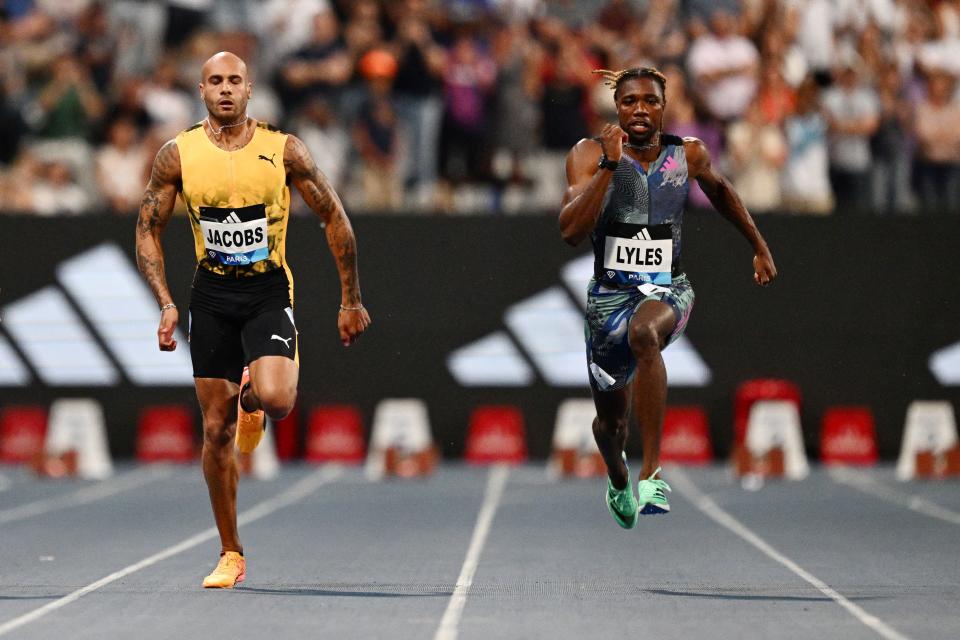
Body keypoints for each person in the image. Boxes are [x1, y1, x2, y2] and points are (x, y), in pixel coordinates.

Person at [135, 51, 371, 588]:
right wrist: (166, 301)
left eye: (234, 81)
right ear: (201, 90)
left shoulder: (283, 149)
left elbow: (335, 217)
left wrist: (350, 299)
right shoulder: (177, 155)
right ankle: (230, 552)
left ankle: (253, 396)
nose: (224, 89)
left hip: (267, 289)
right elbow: (147, 228)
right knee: (214, 431)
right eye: (215, 80)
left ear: (249, 89)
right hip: (211, 295)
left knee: (280, 401)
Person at [558, 67, 776, 528]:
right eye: (630, 101)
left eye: (650, 101)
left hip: (668, 287)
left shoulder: (688, 154)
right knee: (609, 425)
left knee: (645, 335)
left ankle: (652, 472)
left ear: (664, 106)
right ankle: (618, 475)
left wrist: (758, 245)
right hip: (608, 300)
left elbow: (722, 192)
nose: (640, 109)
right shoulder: (588, 153)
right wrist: (610, 166)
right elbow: (571, 231)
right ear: (616, 107)